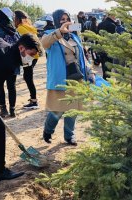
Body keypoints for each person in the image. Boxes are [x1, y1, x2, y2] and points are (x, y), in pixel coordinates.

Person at [0, 34, 42, 182]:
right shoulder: (7, 63)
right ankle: (0, 171)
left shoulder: (1, 42)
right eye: (30, 54)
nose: (31, 59)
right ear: (21, 48)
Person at [41, 9, 95, 145]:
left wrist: (90, 71)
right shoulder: (50, 34)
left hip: (76, 76)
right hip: (60, 78)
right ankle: (48, 130)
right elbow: (44, 44)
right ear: (56, 21)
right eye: (62, 19)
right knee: (57, 110)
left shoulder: (74, 37)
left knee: (73, 108)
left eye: (67, 19)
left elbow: (82, 57)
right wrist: (60, 32)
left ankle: (69, 136)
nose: (65, 22)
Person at [0, 7, 20, 118]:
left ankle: (3, 110)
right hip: (13, 63)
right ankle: (12, 110)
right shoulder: (14, 29)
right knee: (12, 86)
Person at [14, 10, 40, 109]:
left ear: (17, 19)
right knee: (28, 77)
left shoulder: (20, 28)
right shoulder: (30, 27)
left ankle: (34, 101)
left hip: (28, 56)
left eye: (14, 18)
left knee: (28, 78)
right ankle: (33, 100)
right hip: (34, 56)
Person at [97, 12, 117, 80]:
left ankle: (104, 81)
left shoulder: (100, 24)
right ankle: (107, 83)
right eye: (115, 15)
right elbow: (114, 39)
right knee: (108, 68)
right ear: (111, 15)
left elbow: (97, 37)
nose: (115, 17)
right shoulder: (112, 25)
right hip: (109, 49)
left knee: (103, 67)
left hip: (101, 48)